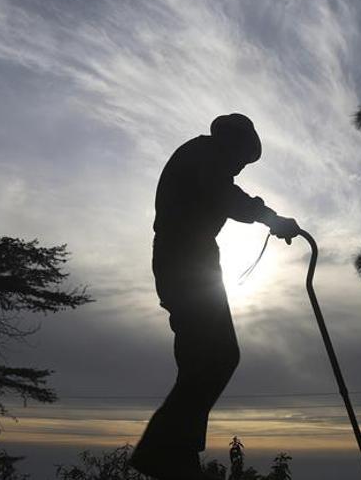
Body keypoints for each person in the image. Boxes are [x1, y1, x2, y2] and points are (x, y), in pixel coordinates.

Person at [130, 114, 300, 479]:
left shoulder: (201, 157)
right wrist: (271, 218)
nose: (239, 168)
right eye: (241, 159)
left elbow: (222, 194)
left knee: (201, 359)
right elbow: (225, 196)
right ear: (231, 143)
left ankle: (177, 455)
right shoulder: (203, 155)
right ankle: (162, 451)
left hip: (191, 259)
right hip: (186, 260)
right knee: (218, 356)